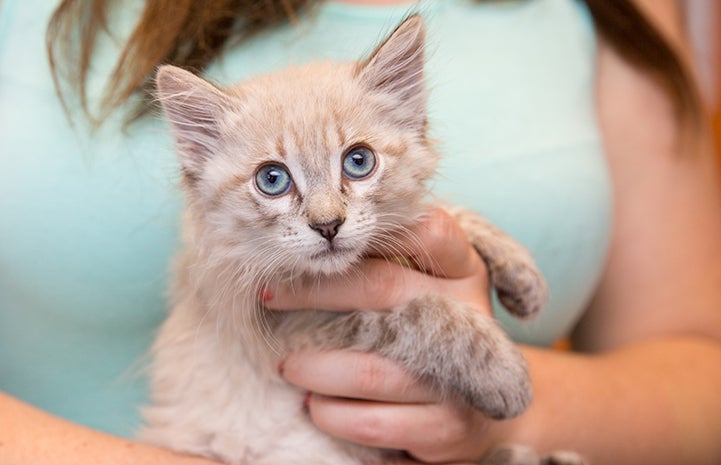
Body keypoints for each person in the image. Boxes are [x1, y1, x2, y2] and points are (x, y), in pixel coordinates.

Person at [1, 0, 720, 464]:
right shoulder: (229, 274)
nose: (325, 215)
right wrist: (451, 339)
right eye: (273, 180)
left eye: (355, 163)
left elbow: (700, 375)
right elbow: (327, 326)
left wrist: (506, 423)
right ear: (197, 166)